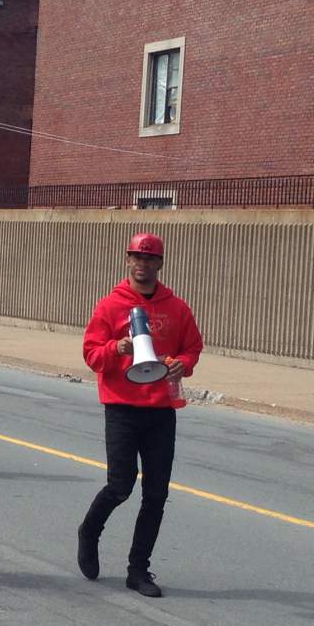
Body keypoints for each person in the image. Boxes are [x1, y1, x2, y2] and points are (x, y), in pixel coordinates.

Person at [77, 232, 203, 598]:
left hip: (161, 409)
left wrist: (183, 364)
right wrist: (116, 347)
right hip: (121, 406)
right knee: (121, 484)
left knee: (156, 493)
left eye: (149, 258)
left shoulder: (176, 307)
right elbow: (91, 355)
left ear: (159, 264)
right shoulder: (110, 306)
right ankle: (89, 531)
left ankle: (138, 569)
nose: (142, 263)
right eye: (136, 257)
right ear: (127, 260)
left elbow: (193, 348)